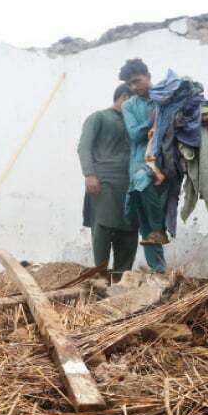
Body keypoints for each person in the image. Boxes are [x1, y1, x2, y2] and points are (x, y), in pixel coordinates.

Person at [78, 84, 138, 276]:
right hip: (103, 183)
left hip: (131, 185)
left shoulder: (135, 124)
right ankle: (101, 279)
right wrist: (89, 174)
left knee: (129, 232)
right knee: (103, 229)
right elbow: (84, 147)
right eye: (135, 101)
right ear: (124, 97)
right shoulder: (99, 117)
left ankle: (121, 281)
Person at [119, 58, 168, 273]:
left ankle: (160, 231)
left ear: (148, 76)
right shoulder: (129, 105)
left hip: (167, 164)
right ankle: (158, 272)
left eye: (137, 81)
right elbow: (134, 134)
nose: (134, 87)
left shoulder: (165, 97)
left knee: (164, 207)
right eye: (130, 84)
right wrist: (151, 120)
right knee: (145, 223)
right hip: (140, 165)